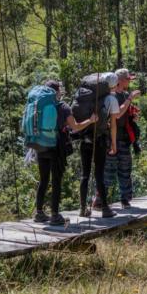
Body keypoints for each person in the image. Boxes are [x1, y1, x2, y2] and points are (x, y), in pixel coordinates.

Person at [34, 80, 97, 225]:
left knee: (43, 179)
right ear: (57, 92)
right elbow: (75, 127)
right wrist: (91, 120)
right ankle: (55, 215)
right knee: (56, 180)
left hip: (40, 146)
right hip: (56, 148)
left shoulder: (39, 106)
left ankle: (39, 213)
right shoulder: (63, 107)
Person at [98, 68, 141, 209]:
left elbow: (124, 114)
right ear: (120, 80)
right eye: (128, 79)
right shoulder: (111, 95)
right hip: (111, 138)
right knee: (108, 170)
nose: (129, 82)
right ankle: (99, 200)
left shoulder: (124, 94)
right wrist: (129, 99)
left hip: (124, 138)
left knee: (125, 169)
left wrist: (133, 117)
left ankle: (125, 199)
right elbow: (116, 115)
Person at [79, 73, 119, 218]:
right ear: (113, 85)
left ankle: (83, 208)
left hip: (85, 138)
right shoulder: (111, 99)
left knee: (85, 174)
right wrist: (114, 144)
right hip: (100, 140)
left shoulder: (87, 95)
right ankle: (105, 209)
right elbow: (113, 124)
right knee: (99, 174)